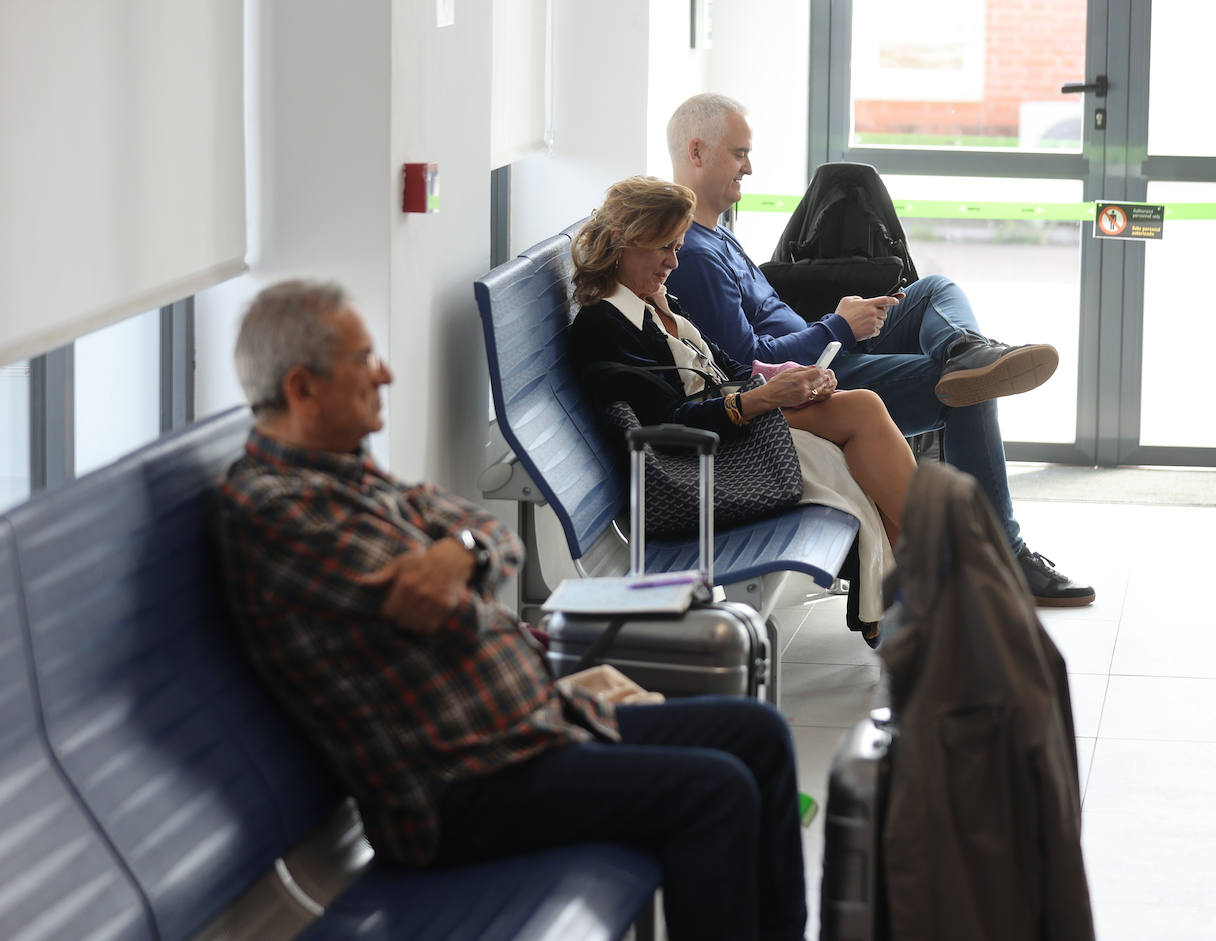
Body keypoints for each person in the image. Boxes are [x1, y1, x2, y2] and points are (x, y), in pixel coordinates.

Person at [216, 279, 806, 941]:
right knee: (714, 792)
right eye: (362, 359)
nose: (384, 373)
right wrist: (459, 566)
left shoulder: (346, 471)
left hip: (532, 732)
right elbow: (433, 605)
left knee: (759, 733)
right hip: (460, 787)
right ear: (302, 388)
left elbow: (488, 535)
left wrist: (461, 552)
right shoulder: (274, 510)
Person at [665, 93, 1095, 607]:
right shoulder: (691, 254)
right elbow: (749, 363)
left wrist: (840, 323)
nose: (749, 167)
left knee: (934, 291)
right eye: (739, 154)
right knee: (966, 393)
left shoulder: (718, 234)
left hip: (823, 348)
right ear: (696, 151)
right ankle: (1007, 551)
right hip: (811, 376)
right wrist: (838, 326)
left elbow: (771, 326)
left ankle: (967, 350)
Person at [567, 176, 917, 638]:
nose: (673, 262)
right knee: (863, 414)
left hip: (726, 430)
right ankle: (932, 588)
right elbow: (665, 422)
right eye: (663, 249)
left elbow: (725, 366)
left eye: (676, 247)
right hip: (701, 462)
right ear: (619, 242)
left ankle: (920, 596)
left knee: (861, 415)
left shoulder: (652, 302)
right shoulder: (604, 327)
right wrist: (762, 398)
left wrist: (790, 378)